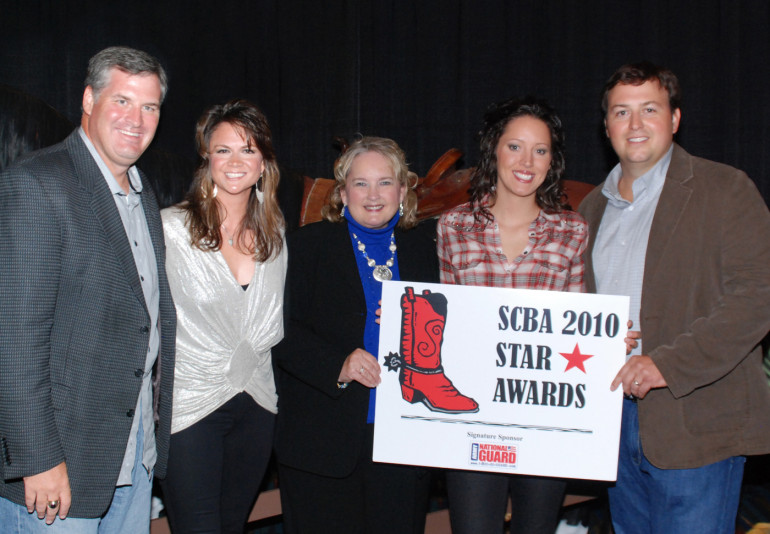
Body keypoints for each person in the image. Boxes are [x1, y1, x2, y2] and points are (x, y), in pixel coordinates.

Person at [579, 61, 770, 534]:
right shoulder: (589, 209)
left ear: (675, 119)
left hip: (695, 420)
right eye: (621, 112)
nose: (635, 124)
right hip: (611, 419)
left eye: (650, 109)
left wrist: (667, 364)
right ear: (606, 127)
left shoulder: (725, 189)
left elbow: (757, 297)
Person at [0, 46, 175, 533]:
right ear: (88, 100)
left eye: (149, 107)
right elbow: (14, 342)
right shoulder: (37, 185)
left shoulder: (143, 194)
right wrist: (37, 458)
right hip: (57, 470)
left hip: (131, 457)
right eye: (122, 101)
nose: (136, 120)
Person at [437, 96, 587, 534]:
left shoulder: (572, 230)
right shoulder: (453, 226)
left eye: (540, 150)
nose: (527, 162)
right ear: (494, 150)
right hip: (470, 416)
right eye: (515, 147)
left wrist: (607, 340)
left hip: (544, 417)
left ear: (552, 161)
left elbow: (577, 323)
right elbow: (445, 321)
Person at [273, 136, 436, 534]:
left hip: (404, 440)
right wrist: (337, 364)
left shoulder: (427, 249)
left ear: (403, 191)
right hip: (321, 444)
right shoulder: (304, 247)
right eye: (361, 183)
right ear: (343, 193)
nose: (373, 194)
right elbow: (277, 331)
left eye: (385, 182)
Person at [159, 99, 286, 533]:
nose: (235, 162)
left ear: (264, 162)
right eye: (223, 150)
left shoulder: (277, 235)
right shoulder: (170, 230)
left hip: (258, 404)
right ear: (206, 158)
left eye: (248, 150)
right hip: (189, 407)